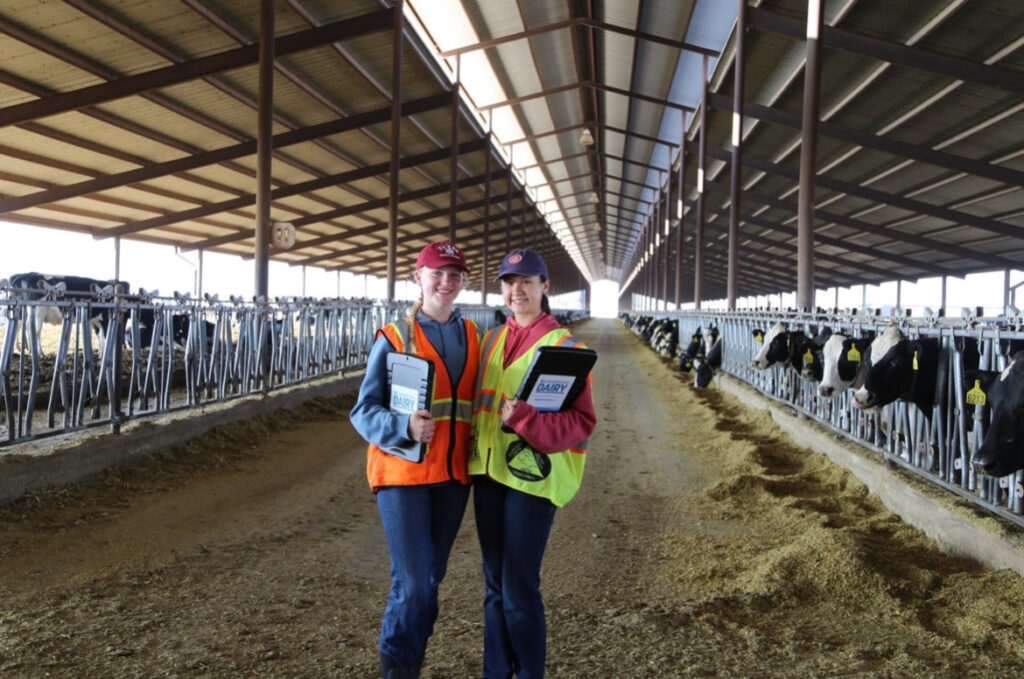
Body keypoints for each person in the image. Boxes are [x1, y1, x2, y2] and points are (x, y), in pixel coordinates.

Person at [350, 242, 481, 679]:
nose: (447, 282)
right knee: (414, 584)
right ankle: (399, 668)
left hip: (453, 478)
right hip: (403, 473)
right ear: (418, 277)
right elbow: (363, 411)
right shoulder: (393, 337)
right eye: (438, 273)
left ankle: (410, 661)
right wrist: (403, 427)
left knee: (429, 580)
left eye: (456, 274)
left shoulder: (476, 337)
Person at [469, 249, 598, 679]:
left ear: (545, 287)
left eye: (526, 281)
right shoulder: (490, 341)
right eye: (508, 281)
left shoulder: (566, 348)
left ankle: (528, 673)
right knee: (493, 587)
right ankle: (494, 672)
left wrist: (525, 419)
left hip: (533, 478)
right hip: (489, 476)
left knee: (519, 586)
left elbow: (581, 423)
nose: (516, 289)